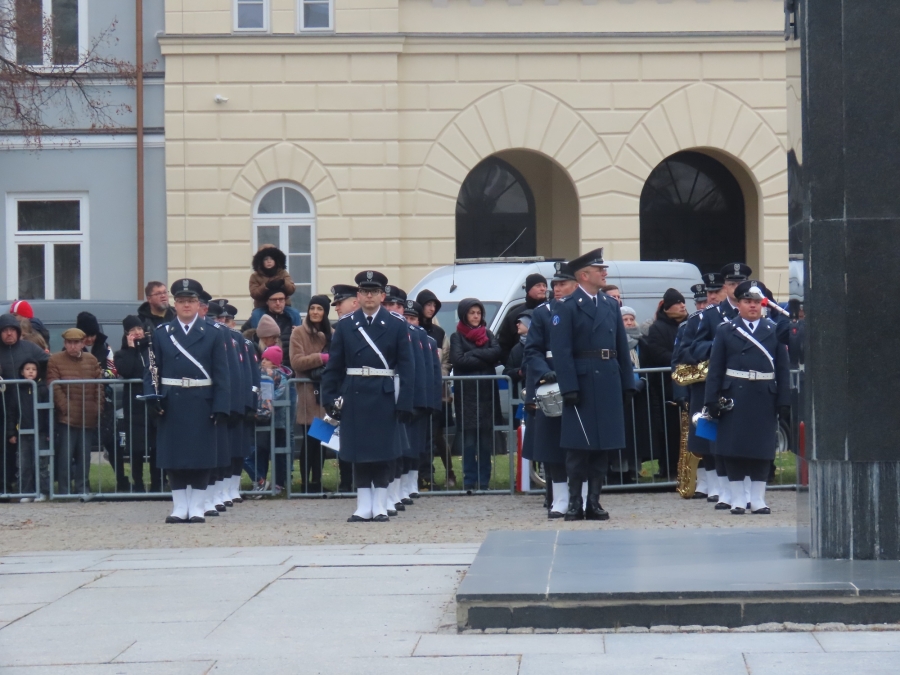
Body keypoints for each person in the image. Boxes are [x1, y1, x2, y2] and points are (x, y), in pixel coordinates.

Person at [321, 270, 415, 523]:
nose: (369, 296)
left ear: (382, 296)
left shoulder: (396, 324)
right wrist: (329, 397)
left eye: (374, 292)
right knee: (359, 452)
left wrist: (405, 401)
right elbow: (335, 365)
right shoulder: (346, 325)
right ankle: (363, 505)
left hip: (384, 394)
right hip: (355, 393)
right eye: (364, 291)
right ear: (358, 296)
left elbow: (407, 367)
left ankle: (381, 504)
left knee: (383, 452)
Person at [550, 248, 635, 521]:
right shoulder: (567, 306)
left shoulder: (610, 305)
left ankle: (594, 502)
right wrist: (569, 387)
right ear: (584, 275)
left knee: (603, 446)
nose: (604, 273)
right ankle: (575, 503)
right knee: (578, 447)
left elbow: (621, 347)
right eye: (600, 270)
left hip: (608, 377)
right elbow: (561, 351)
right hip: (583, 380)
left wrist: (627, 382)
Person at [145, 278, 230, 524]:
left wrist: (221, 405)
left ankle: (197, 506)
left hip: (202, 400)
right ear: (175, 304)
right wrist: (152, 397)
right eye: (181, 301)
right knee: (174, 456)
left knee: (201, 456)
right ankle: (180, 505)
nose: (186, 305)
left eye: (190, 301)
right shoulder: (162, 333)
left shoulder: (213, 333)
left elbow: (222, 373)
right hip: (172, 401)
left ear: (198, 304)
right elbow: (152, 370)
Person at [704, 280, 790, 515]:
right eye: (747, 301)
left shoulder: (773, 330)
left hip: (764, 395)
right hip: (734, 395)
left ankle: (758, 498)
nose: (753, 306)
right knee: (734, 448)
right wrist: (711, 399)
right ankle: (738, 498)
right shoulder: (726, 330)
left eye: (757, 302)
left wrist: (784, 400)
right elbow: (716, 368)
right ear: (739, 304)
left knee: (761, 449)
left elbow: (782, 369)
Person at [690, 263, 752, 510]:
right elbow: (695, 347)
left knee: (748, 437)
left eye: (740, 283)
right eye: (732, 284)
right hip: (723, 384)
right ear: (725, 286)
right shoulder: (711, 315)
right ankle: (725, 490)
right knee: (720, 440)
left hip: (749, 385)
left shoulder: (757, 313)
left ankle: (749, 489)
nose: (736, 288)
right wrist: (720, 344)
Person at [524, 262, 579, 517]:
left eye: (562, 283)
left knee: (581, 444)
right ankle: (559, 497)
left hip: (579, 380)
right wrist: (542, 372)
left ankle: (583, 496)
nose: (556, 288)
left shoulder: (582, 309)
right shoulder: (542, 313)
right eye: (554, 284)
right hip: (551, 382)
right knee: (552, 446)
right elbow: (532, 349)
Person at [449, 298, 502, 492]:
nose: (476, 316)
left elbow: (496, 352)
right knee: (469, 442)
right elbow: (458, 360)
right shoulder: (457, 337)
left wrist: (472, 355)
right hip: (467, 395)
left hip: (487, 395)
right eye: (472, 313)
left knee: (485, 442)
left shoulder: (488, 334)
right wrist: (483, 356)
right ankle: (470, 480)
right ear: (464, 315)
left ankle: (484, 481)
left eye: (478, 313)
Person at [46, 328, 104, 497]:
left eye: (76, 342)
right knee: (65, 455)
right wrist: (65, 407)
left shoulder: (91, 359)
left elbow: (99, 385)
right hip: (67, 417)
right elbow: (54, 385)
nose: (72, 346)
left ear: (82, 343)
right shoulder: (55, 360)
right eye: (69, 342)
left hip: (88, 414)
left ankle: (82, 488)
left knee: (84, 456)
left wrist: (97, 407)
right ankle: (64, 490)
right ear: (65, 343)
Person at [0, 313, 50, 489]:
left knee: (28, 453)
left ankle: (34, 488)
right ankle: (4, 487)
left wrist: (41, 385)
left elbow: (49, 363)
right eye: (4, 330)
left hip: (26, 409)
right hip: (3, 407)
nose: (9, 333)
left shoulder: (29, 348)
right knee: (4, 450)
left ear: (18, 331)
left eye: (12, 330)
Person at [114, 316, 162, 493]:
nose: (137, 333)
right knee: (136, 449)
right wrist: (132, 349)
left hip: (152, 404)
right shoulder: (122, 354)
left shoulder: (152, 350)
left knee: (156, 446)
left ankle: (157, 484)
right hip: (134, 406)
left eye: (139, 329)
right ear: (127, 333)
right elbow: (127, 370)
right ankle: (139, 484)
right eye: (133, 330)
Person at [643, 288, 688, 480]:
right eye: (677, 303)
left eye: (683, 302)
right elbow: (657, 352)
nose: (682, 306)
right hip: (666, 387)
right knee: (670, 430)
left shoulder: (691, 325)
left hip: (689, 384)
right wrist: (681, 361)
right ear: (667, 308)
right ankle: (669, 467)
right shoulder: (657, 329)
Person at [289, 295, 332, 494]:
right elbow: (296, 362)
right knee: (309, 441)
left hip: (325, 393)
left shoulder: (331, 334)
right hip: (308, 392)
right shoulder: (298, 332)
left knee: (321, 441)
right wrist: (321, 358)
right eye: (312, 308)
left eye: (319, 309)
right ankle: (305, 483)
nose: (315, 312)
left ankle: (317, 482)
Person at [416, 289, 456, 490]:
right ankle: (422, 474)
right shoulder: (412, 329)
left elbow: (446, 359)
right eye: (428, 304)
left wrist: (439, 374)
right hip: (417, 388)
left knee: (436, 434)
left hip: (437, 390)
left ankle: (448, 472)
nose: (431, 309)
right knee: (421, 435)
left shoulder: (439, 333)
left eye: (434, 305)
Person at [329, 284, 361, 492]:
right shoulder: (340, 327)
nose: (337, 308)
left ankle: (361, 481)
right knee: (342, 439)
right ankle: (346, 481)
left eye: (340, 303)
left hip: (361, 390)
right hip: (343, 391)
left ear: (355, 302)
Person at [5, 359, 50, 501]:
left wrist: (49, 431)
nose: (31, 372)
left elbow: (48, 412)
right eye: (27, 369)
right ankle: (26, 492)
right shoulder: (17, 390)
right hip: (22, 433)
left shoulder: (43, 389)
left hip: (40, 432)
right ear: (22, 372)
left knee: (41, 464)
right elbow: (12, 413)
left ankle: (42, 491)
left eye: (34, 369)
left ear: (38, 372)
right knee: (24, 464)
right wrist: (11, 433)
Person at [620, 305, 650, 484]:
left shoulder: (641, 342)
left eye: (631, 319)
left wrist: (643, 380)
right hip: (622, 393)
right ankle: (620, 470)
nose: (629, 323)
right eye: (625, 320)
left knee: (636, 434)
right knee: (623, 433)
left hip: (639, 393)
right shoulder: (617, 341)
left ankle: (635, 468)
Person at [498, 273, 547, 362]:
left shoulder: (551, 310)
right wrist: (514, 365)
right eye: (538, 285)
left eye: (544, 285)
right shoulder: (514, 315)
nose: (543, 288)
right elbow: (504, 347)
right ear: (528, 289)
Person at [252, 289, 301, 357]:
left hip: (290, 361)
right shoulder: (257, 318)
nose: (278, 303)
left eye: (281, 299)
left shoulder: (293, 319)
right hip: (265, 361)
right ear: (267, 301)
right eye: (274, 300)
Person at [249, 244, 297, 309]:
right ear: (260, 261)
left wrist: (283, 283)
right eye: (265, 259)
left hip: (283, 306)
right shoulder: (255, 276)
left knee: (294, 313)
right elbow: (254, 294)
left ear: (276, 260)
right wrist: (266, 286)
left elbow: (291, 290)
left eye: (272, 259)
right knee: (256, 315)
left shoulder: (283, 273)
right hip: (262, 306)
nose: (269, 261)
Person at [503, 309, 532, 398]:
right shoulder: (516, 349)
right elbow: (506, 372)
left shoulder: (543, 345)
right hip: (520, 396)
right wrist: (518, 372)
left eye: (520, 322)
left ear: (529, 323)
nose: (517, 324)